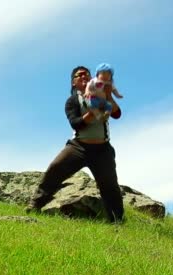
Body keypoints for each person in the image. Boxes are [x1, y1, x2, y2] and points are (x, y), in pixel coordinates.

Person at [26, 65, 125, 223]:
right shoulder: (72, 101)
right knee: (55, 168)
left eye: (87, 74)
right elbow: (76, 123)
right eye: (79, 75)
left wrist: (108, 97)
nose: (84, 77)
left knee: (110, 185)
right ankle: (35, 204)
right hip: (78, 147)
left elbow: (117, 114)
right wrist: (92, 113)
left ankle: (117, 220)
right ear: (73, 83)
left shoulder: (102, 94)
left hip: (102, 149)